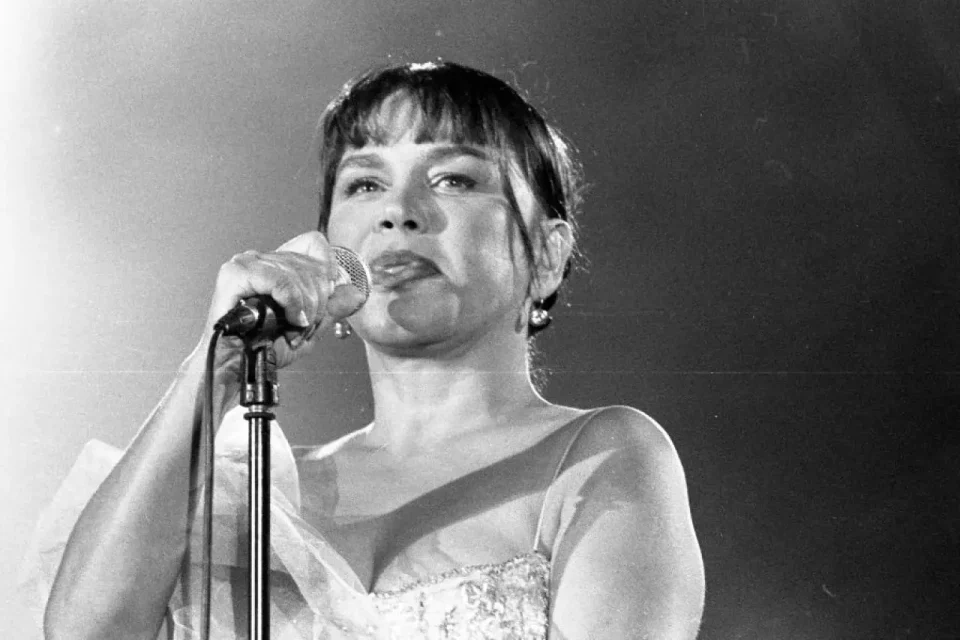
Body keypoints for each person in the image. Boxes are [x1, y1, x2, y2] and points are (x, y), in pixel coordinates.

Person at [36, 61, 705, 639]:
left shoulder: (602, 457)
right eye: (364, 184)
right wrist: (216, 367)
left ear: (549, 255)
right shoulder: (261, 492)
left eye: (454, 179)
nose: (398, 211)